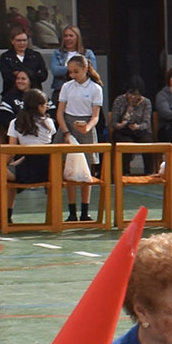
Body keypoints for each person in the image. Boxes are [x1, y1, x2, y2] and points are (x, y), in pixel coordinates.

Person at [56, 55, 104, 223]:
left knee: (85, 172)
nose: (73, 75)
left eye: (76, 71)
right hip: (68, 127)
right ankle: (72, 211)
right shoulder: (67, 87)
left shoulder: (95, 89)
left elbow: (96, 116)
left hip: (86, 127)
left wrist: (88, 127)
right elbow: (60, 113)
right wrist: (66, 133)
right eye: (70, 72)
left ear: (85, 69)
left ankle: (85, 210)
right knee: (69, 170)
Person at [4, 89, 57, 222]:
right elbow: (41, 148)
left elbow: (11, 151)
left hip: (25, 171)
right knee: (8, 173)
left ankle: (5, 215)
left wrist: (3, 164)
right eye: (45, 106)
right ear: (39, 106)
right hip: (47, 171)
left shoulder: (16, 123)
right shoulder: (48, 123)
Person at [110, 79, 153, 176]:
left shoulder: (146, 102)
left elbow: (146, 123)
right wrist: (129, 110)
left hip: (140, 130)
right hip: (123, 130)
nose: (133, 97)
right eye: (130, 93)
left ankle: (149, 172)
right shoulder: (119, 100)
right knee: (126, 143)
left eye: (136, 94)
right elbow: (114, 122)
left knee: (147, 141)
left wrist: (137, 127)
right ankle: (125, 172)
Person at [0, 29, 48, 110]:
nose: (22, 43)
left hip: (34, 95)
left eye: (24, 40)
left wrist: (19, 74)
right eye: (18, 40)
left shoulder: (35, 55)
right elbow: (7, 77)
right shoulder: (6, 57)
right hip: (11, 96)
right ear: (12, 41)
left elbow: (43, 75)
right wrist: (32, 74)